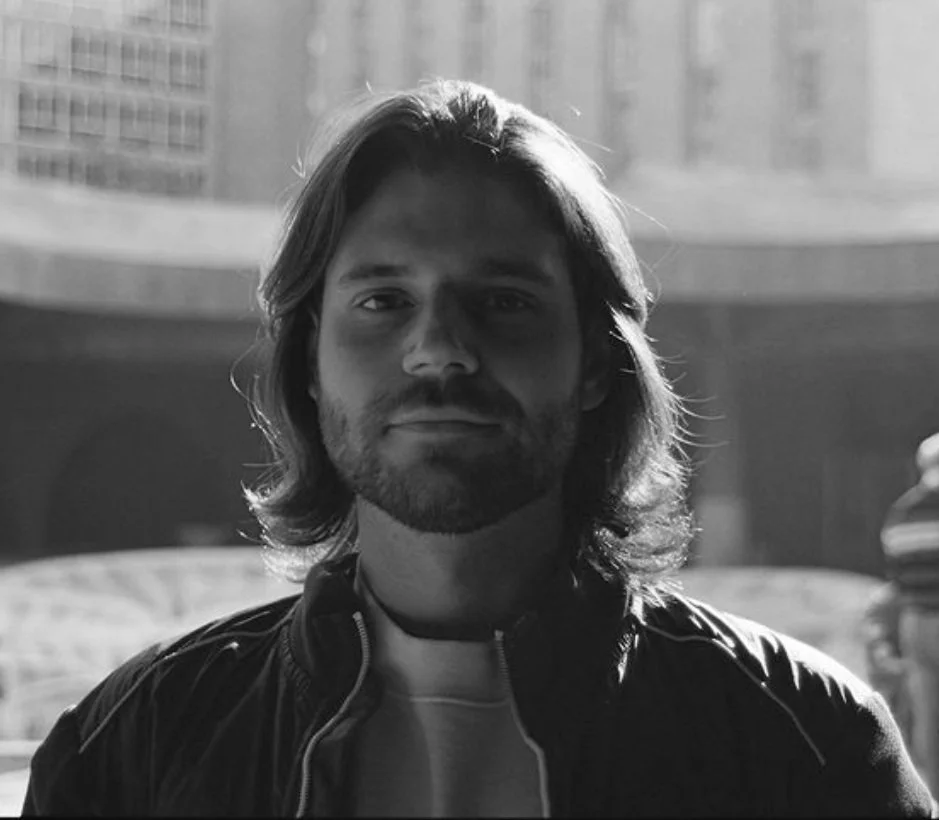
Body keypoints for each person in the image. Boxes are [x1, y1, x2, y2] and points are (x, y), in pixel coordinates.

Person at [23, 80, 936, 817]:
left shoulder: (804, 742)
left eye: (504, 301)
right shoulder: (136, 749)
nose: (440, 348)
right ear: (307, 362)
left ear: (592, 362)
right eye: (382, 301)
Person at [881, 432, 939, 795]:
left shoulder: (900, 512)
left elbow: (895, 575)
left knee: (928, 711)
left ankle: (933, 790)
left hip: (915, 621)